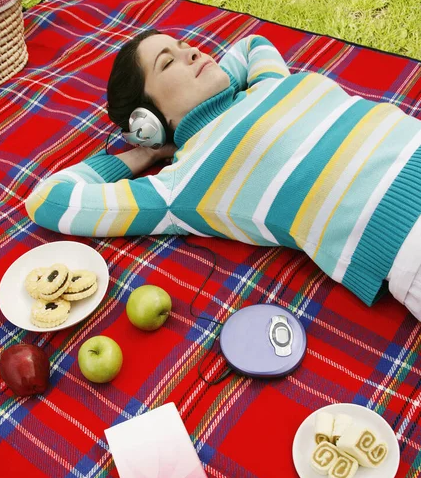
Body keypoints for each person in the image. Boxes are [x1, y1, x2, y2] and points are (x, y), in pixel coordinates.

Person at [25, 29, 421, 321]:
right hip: (408, 235)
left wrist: (218, 85)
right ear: (146, 121)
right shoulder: (179, 186)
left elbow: (253, 43)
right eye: (168, 62)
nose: (193, 53)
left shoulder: (268, 84)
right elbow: (48, 199)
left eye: (184, 46)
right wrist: (143, 153)